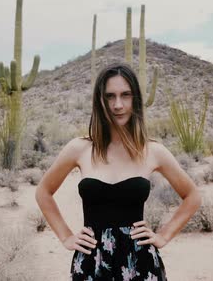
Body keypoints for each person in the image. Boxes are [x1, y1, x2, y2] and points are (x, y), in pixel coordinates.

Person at [36, 63, 201, 280]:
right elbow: (43, 191)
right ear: (100, 101)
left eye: (126, 95)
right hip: (91, 262)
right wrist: (66, 237)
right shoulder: (80, 148)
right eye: (110, 97)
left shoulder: (153, 151)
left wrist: (163, 236)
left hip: (140, 263)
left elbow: (192, 196)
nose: (118, 105)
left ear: (136, 100)